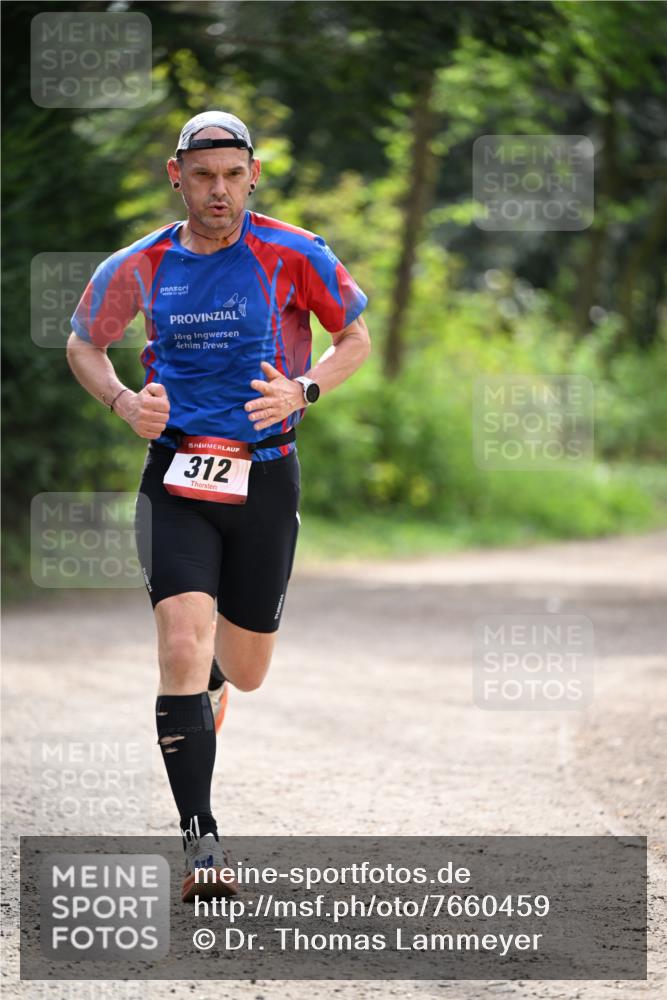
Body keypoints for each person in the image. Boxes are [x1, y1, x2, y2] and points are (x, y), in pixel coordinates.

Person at [66, 111, 370, 902]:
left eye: (232, 175)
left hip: (266, 477)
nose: (218, 191)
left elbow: (355, 340)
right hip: (176, 477)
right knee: (178, 643)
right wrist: (124, 402)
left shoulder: (295, 253)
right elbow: (83, 344)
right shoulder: (138, 265)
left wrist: (304, 389)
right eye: (202, 176)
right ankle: (201, 841)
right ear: (176, 176)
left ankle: (214, 683)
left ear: (254, 175)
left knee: (243, 668)